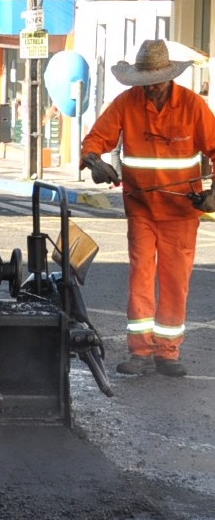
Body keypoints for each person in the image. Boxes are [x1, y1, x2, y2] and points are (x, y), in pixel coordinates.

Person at [81, 39, 215, 378]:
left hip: (181, 212)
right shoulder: (126, 103)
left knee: (175, 281)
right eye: (144, 82)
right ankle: (139, 351)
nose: (150, 88)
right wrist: (94, 161)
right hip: (141, 207)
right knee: (140, 276)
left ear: (169, 76)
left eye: (155, 81)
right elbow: (95, 140)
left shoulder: (193, 106)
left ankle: (167, 352)